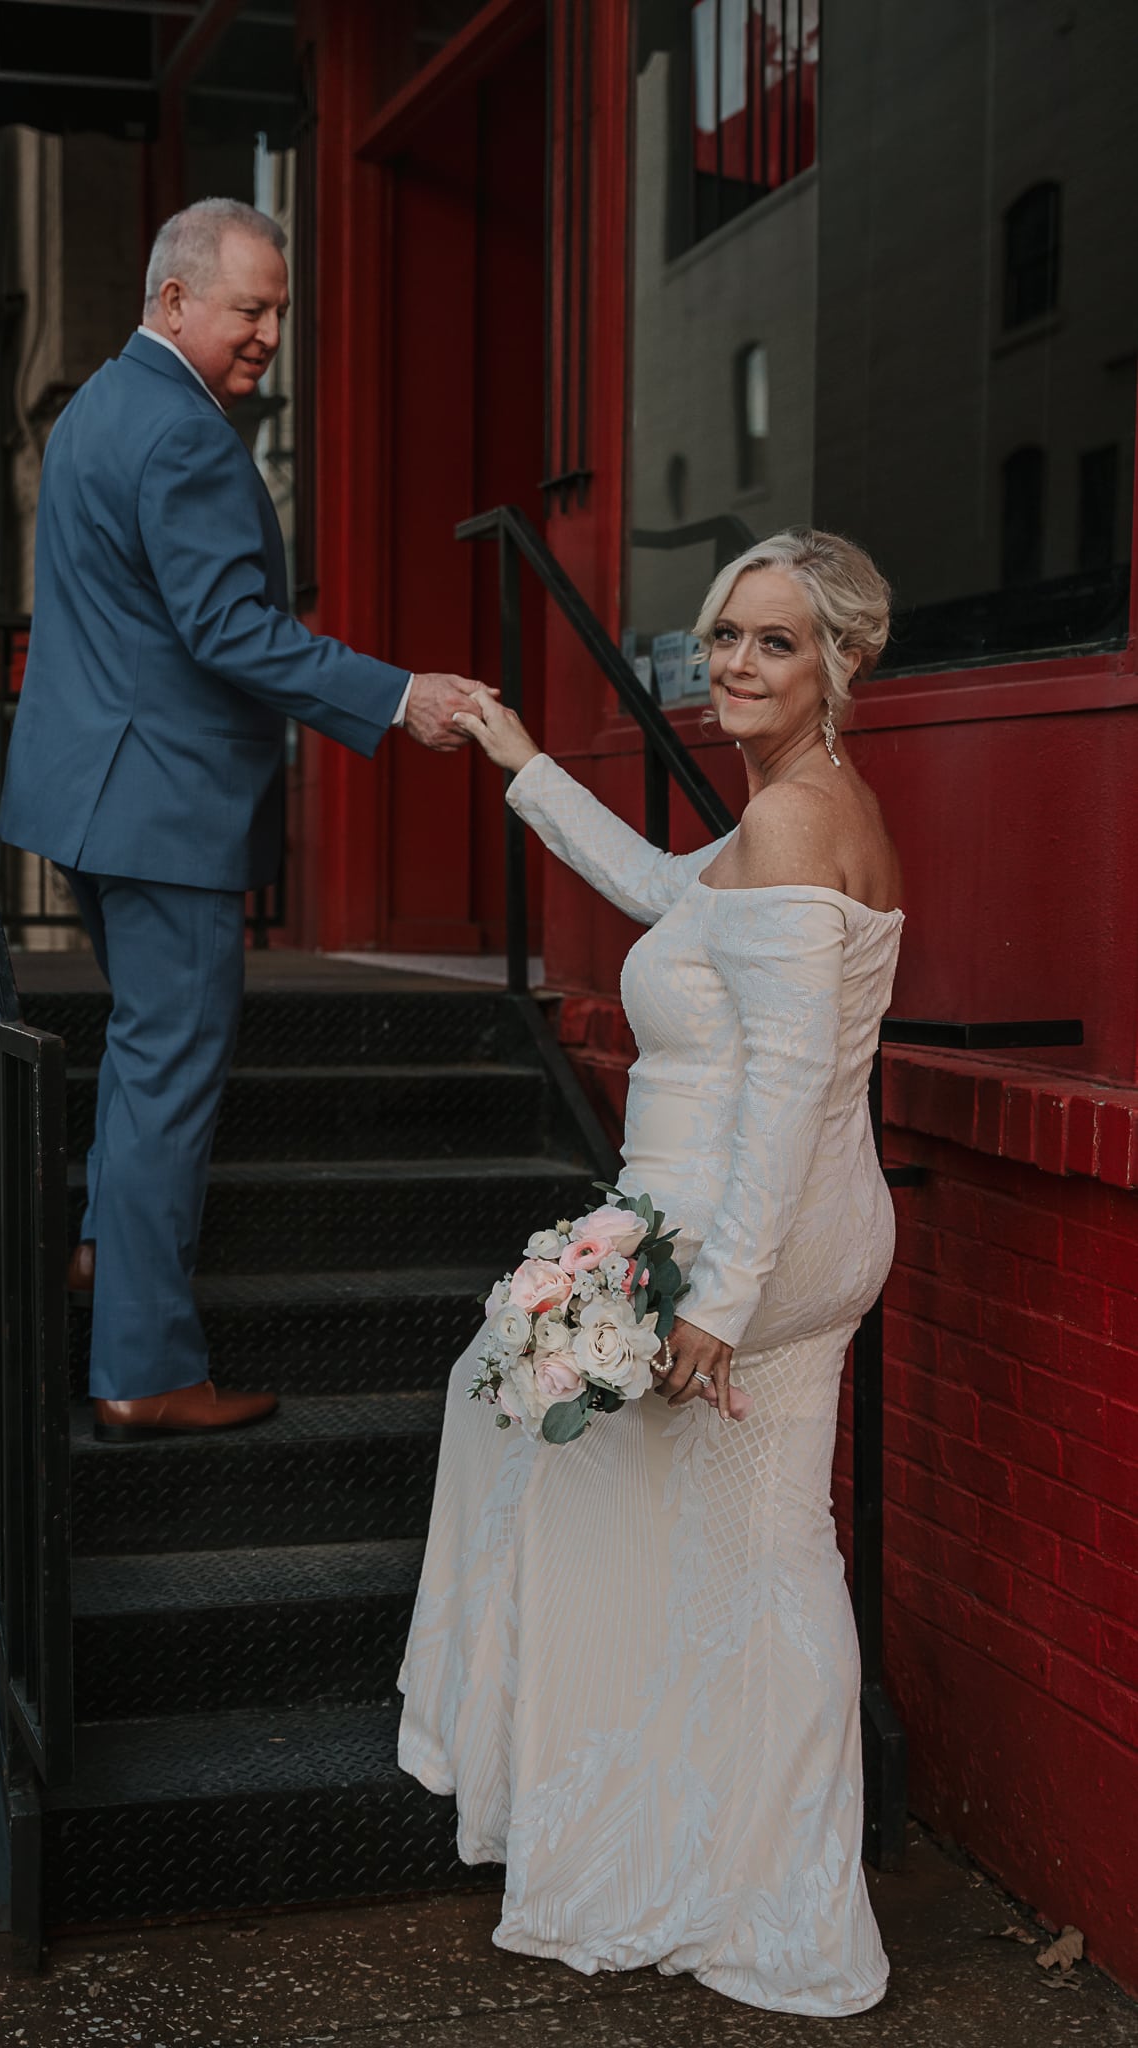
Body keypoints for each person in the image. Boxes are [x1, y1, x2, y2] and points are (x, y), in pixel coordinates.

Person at [398, 529, 903, 2017]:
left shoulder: (805, 824)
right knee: (745, 1544)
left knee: (702, 1528)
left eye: (775, 644)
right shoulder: (779, 820)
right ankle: (716, 1848)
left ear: (840, 666)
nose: (736, 667)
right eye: (724, 638)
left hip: (759, 1234)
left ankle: (749, 1871)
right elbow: (656, 884)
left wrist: (719, 1305)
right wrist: (519, 755)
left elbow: (793, 1087)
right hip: (773, 1224)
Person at [0, 198, 486, 1440]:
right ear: (173, 301)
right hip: (165, 809)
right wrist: (400, 694)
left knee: (145, 1052)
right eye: (248, 307)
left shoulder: (95, 412)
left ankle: (111, 1257)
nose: (269, 331)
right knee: (172, 1068)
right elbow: (227, 630)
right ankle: (146, 1369)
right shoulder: (187, 436)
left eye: (279, 309)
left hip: (95, 801)